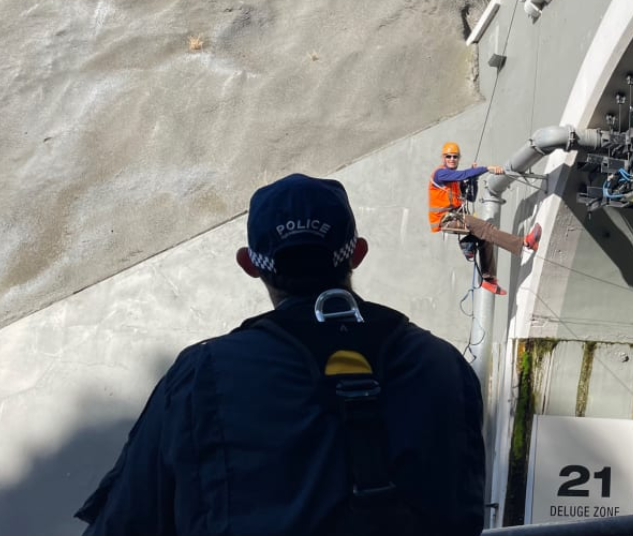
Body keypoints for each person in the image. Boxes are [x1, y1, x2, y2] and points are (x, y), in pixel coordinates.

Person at [76, 173, 485, 536]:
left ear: (250, 264)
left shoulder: (201, 375)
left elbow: (126, 520)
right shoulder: (444, 364)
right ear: (357, 253)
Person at [429, 141, 542, 296]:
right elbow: (462, 174)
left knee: (485, 238)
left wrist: (474, 180)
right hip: (445, 219)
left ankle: (488, 279)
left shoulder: (454, 181)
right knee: (486, 229)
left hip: (454, 217)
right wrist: (485, 169)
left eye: (455, 157)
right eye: (448, 156)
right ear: (443, 158)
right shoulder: (440, 174)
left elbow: (471, 196)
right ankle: (524, 242)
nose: (452, 159)